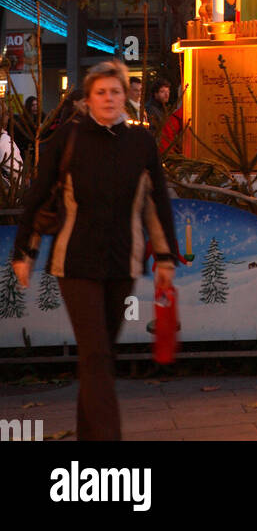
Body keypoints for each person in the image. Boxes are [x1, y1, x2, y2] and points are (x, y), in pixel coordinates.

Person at [12, 60, 178, 441]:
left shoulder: (142, 142)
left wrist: (165, 257)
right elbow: (38, 197)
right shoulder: (67, 139)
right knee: (96, 355)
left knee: (99, 358)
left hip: (123, 261)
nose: (108, 98)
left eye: (115, 91)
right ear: (88, 98)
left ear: (127, 96)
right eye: (100, 92)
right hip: (75, 263)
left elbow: (156, 203)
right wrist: (24, 251)